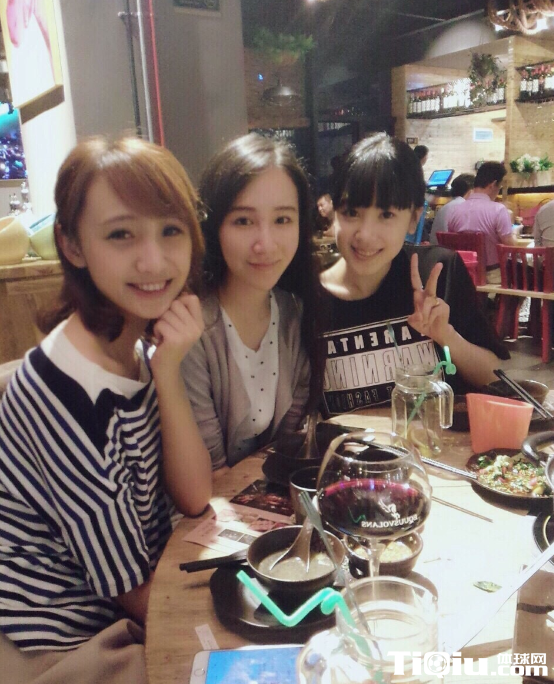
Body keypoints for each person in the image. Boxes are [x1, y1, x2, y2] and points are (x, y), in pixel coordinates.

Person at [0, 137, 212, 683]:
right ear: (72, 246)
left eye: (170, 230)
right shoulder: (62, 392)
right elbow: (125, 586)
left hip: (130, 596)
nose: (153, 260)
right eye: (121, 234)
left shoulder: (135, 346)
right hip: (64, 637)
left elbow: (193, 496)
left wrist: (168, 369)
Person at [319, 133, 509, 415]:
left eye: (386, 215)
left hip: (435, 443)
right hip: (349, 445)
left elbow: (496, 379)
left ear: (413, 219)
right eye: (351, 213)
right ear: (333, 214)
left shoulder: (437, 271)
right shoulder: (307, 298)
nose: (365, 235)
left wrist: (446, 335)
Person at [181, 133, 319, 470]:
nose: (265, 244)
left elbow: (288, 441)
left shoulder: (295, 311)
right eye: (243, 221)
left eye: (282, 220)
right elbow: (212, 469)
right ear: (214, 226)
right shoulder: (190, 329)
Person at [448, 161, 517, 284]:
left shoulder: (455, 211)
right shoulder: (498, 210)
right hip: (492, 276)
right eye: (500, 187)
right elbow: (510, 246)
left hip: (461, 275)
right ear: (493, 184)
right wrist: (514, 233)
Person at [429, 173, 475, 244]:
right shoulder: (464, 207)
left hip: (436, 248)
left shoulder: (447, 206)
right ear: (471, 191)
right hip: (451, 248)